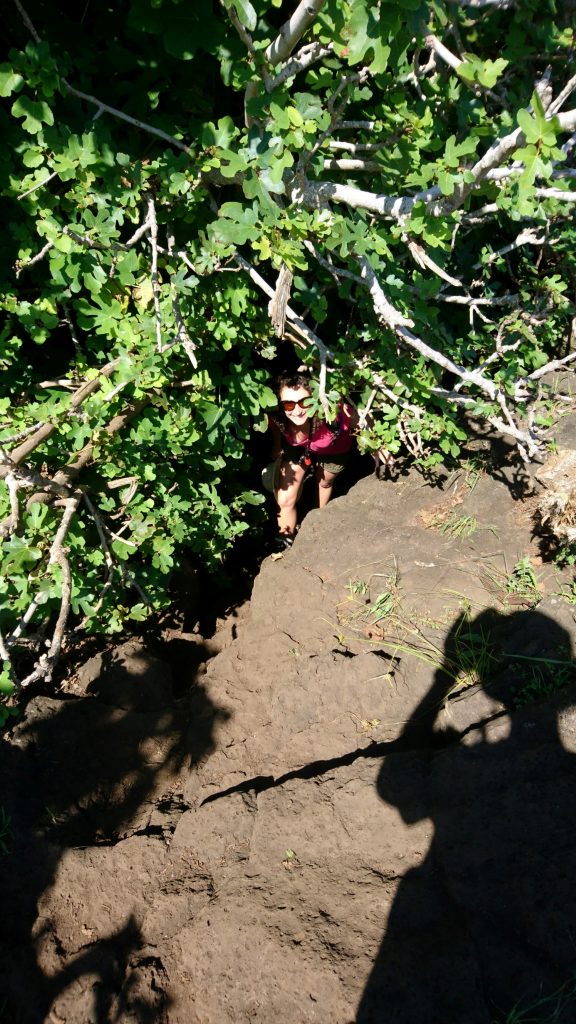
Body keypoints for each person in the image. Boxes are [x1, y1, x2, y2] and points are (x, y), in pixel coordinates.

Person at [267, 372, 356, 549]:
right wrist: (277, 446)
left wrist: (378, 448)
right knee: (284, 499)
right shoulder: (279, 417)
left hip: (334, 449)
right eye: (289, 404)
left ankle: (318, 519)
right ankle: (285, 541)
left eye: (304, 402)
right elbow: (275, 428)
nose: (297, 410)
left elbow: (361, 421)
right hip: (297, 447)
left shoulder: (334, 412)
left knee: (324, 483)